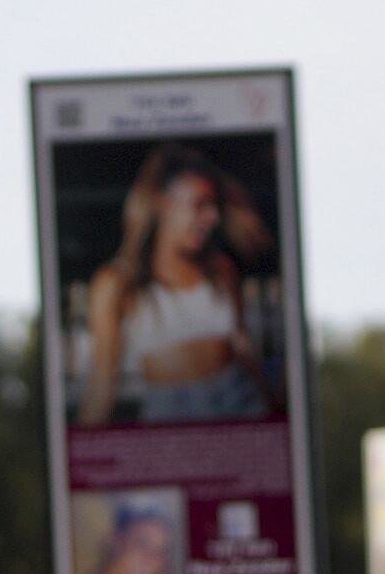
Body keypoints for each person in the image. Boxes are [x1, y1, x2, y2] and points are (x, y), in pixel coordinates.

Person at [77, 145, 274, 424]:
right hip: (170, 413)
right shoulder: (116, 282)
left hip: (239, 402)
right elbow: (102, 385)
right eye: (199, 204)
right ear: (163, 203)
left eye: (214, 206)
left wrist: (279, 420)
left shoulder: (220, 270)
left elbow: (244, 352)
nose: (212, 217)